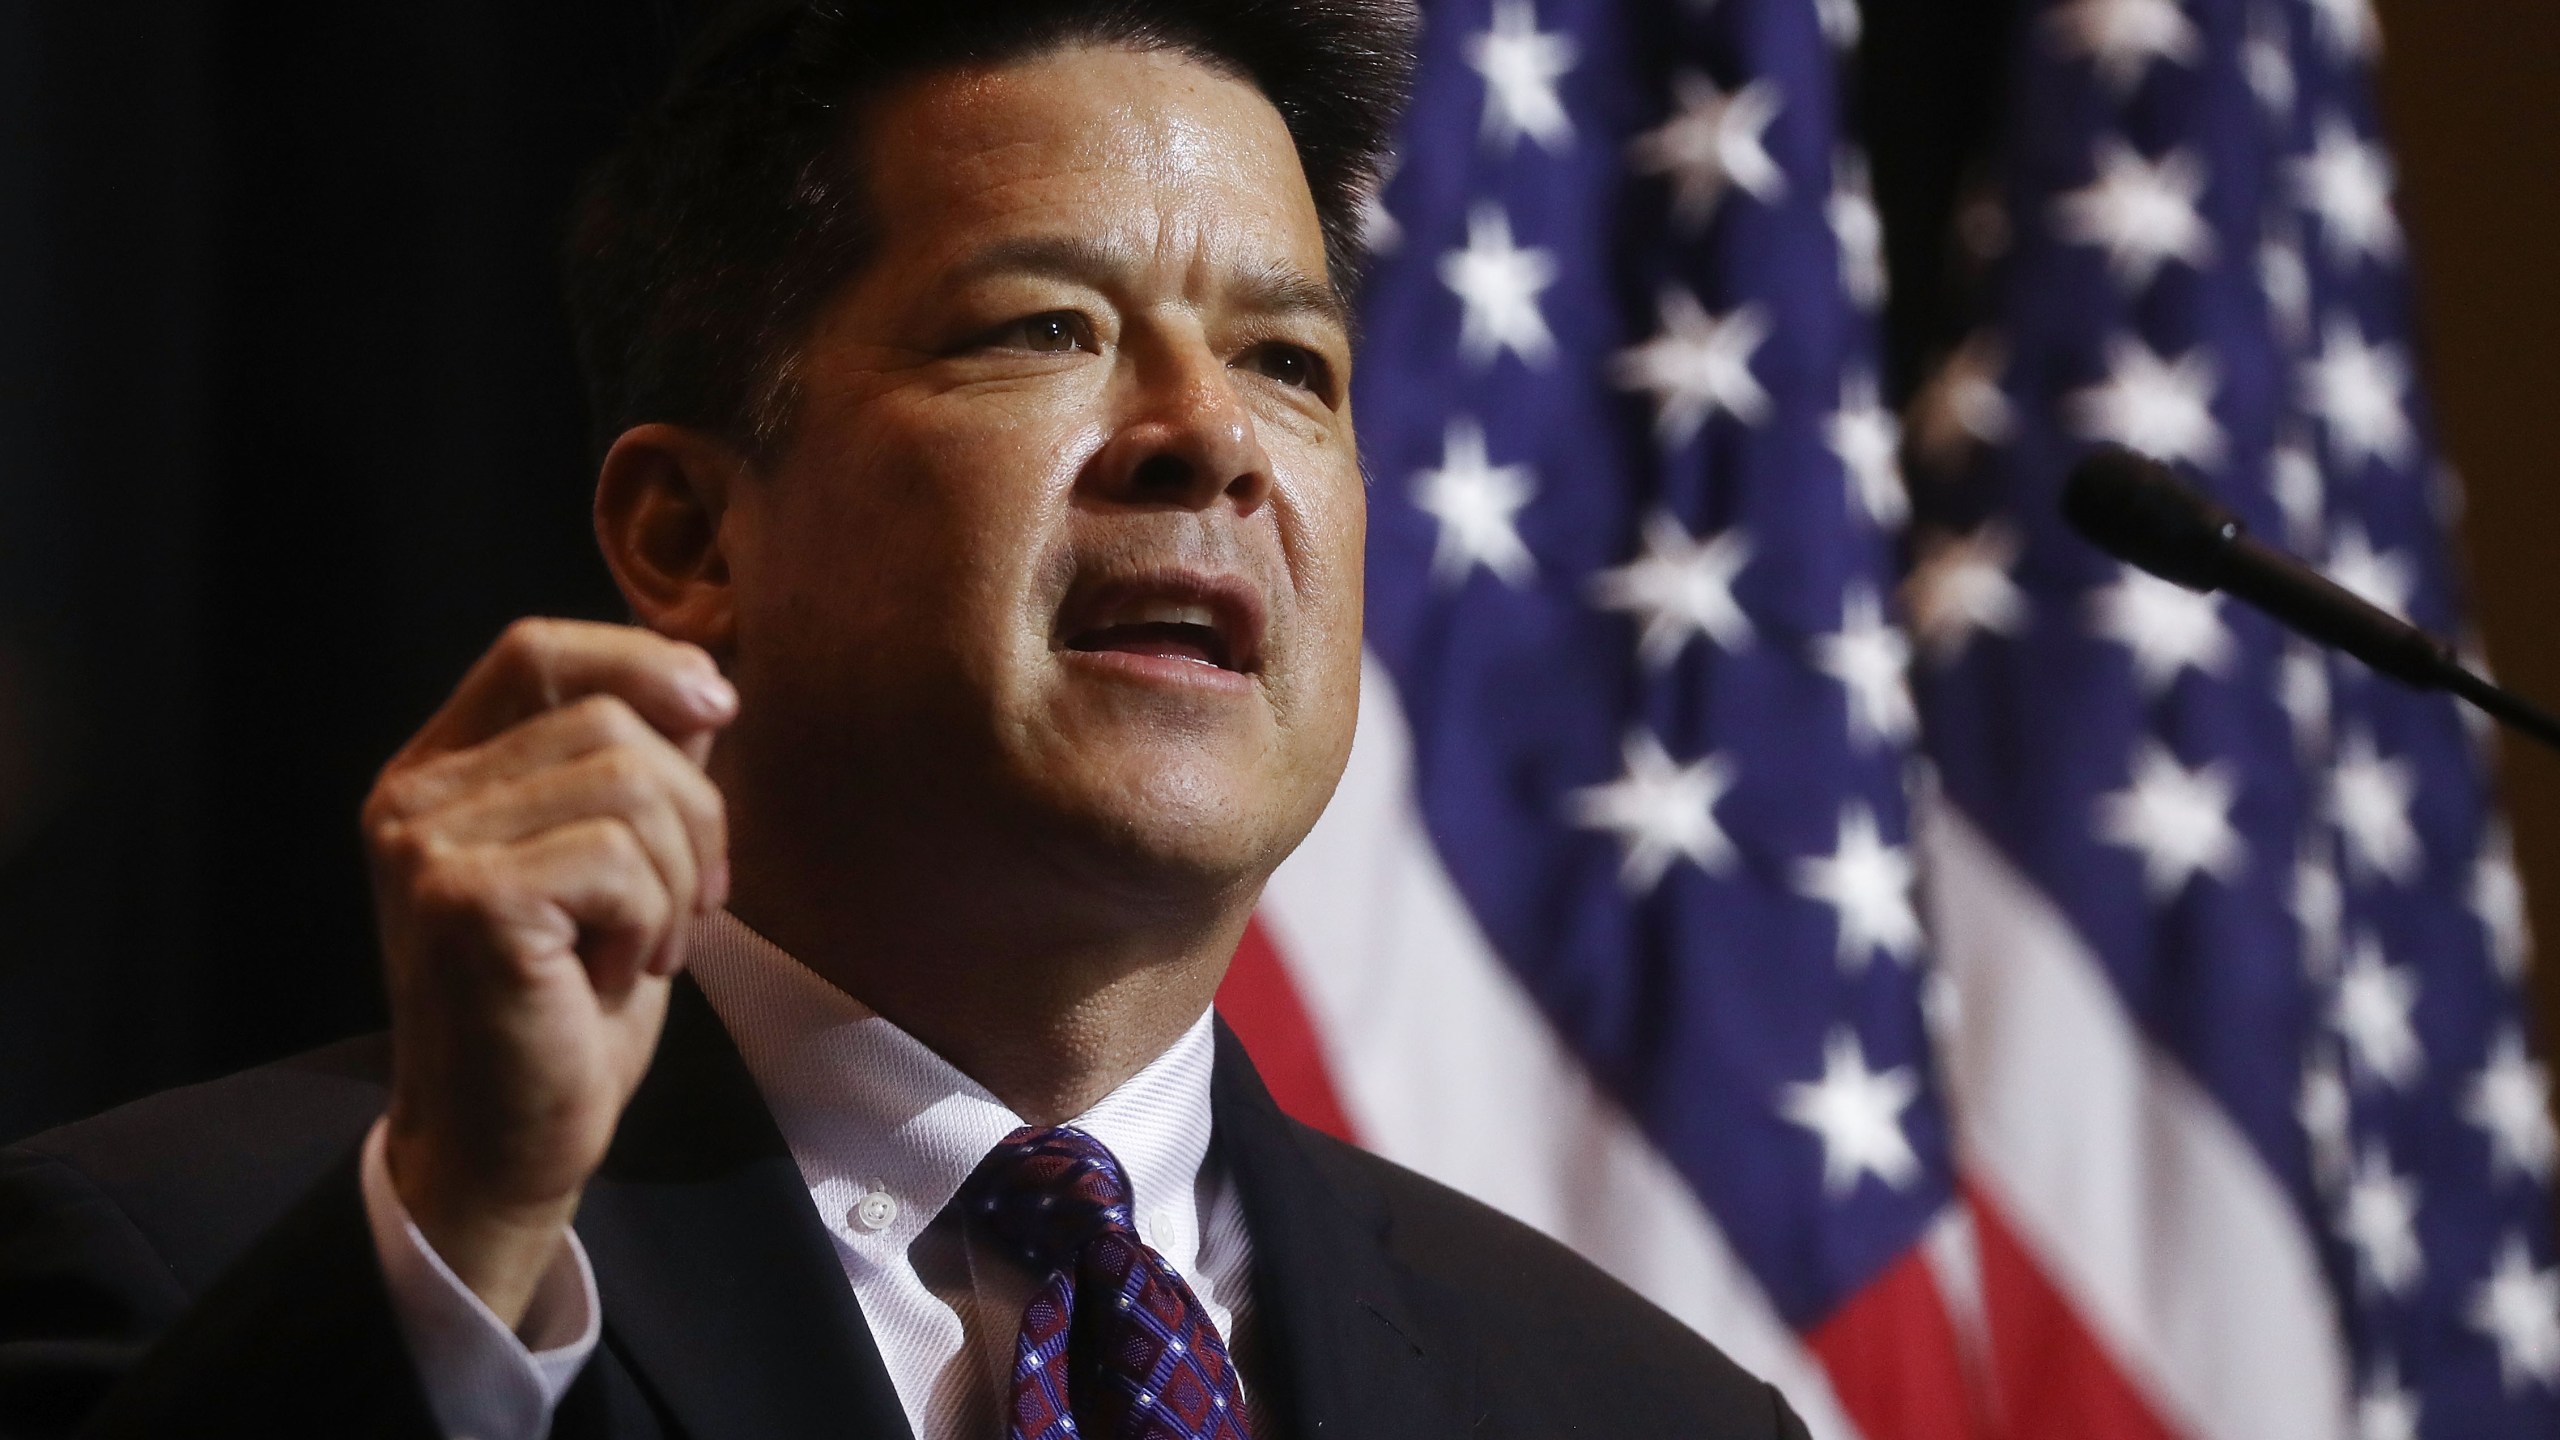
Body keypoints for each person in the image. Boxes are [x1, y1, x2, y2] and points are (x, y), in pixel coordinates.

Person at [0, 3, 1812, 1437]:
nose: (1211, 434)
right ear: (687, 534)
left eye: (1290, 361)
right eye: (1042, 327)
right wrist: (462, 1245)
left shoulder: (1638, 1408)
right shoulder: (206, 1270)